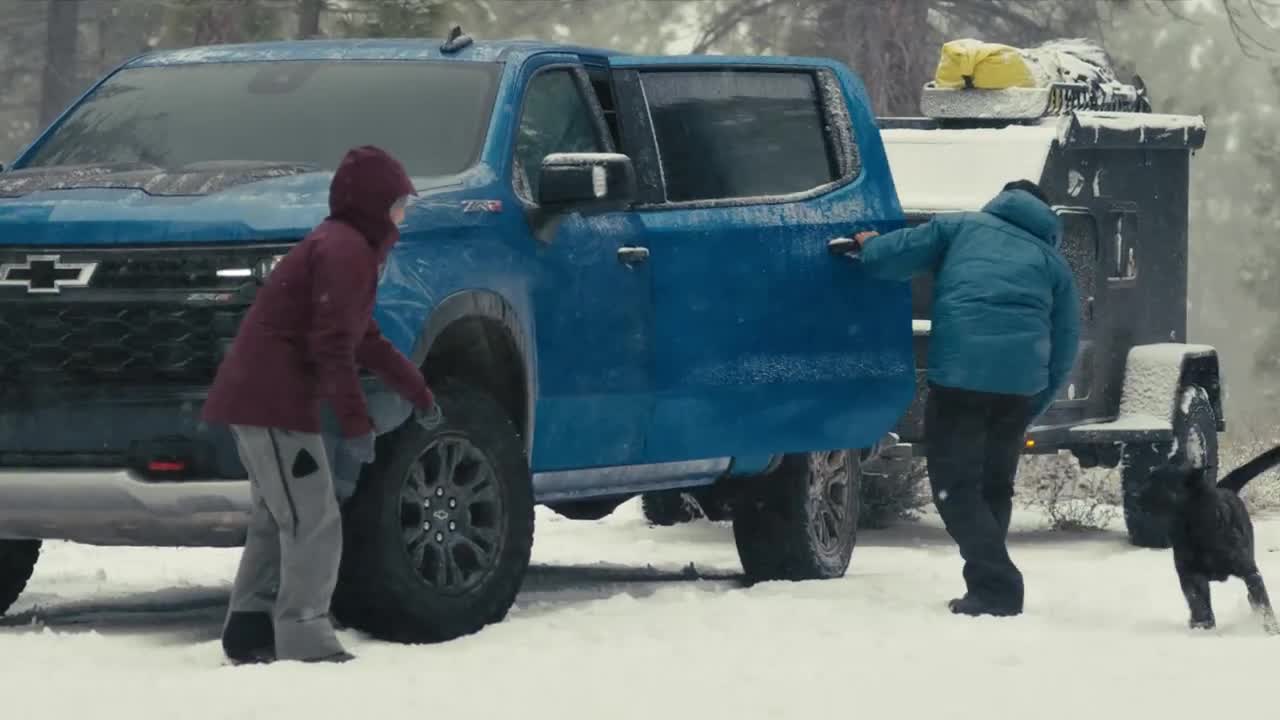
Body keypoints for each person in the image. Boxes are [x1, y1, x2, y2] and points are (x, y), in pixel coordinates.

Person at [203, 145, 441, 664]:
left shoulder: (342, 246)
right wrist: (356, 424)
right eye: (398, 205)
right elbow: (333, 345)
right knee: (314, 520)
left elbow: (364, 337)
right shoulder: (345, 251)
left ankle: (250, 628)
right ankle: (303, 634)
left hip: (262, 401)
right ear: (375, 205)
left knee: (279, 516)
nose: (403, 216)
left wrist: (416, 389)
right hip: (273, 405)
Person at [852, 179, 1079, 618]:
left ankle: (998, 585)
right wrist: (1035, 403)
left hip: (961, 379)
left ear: (1001, 201)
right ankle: (987, 589)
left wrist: (869, 245)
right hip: (1019, 388)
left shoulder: (959, 228)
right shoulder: (1054, 264)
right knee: (994, 486)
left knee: (954, 488)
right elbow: (1066, 344)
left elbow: (892, 257)